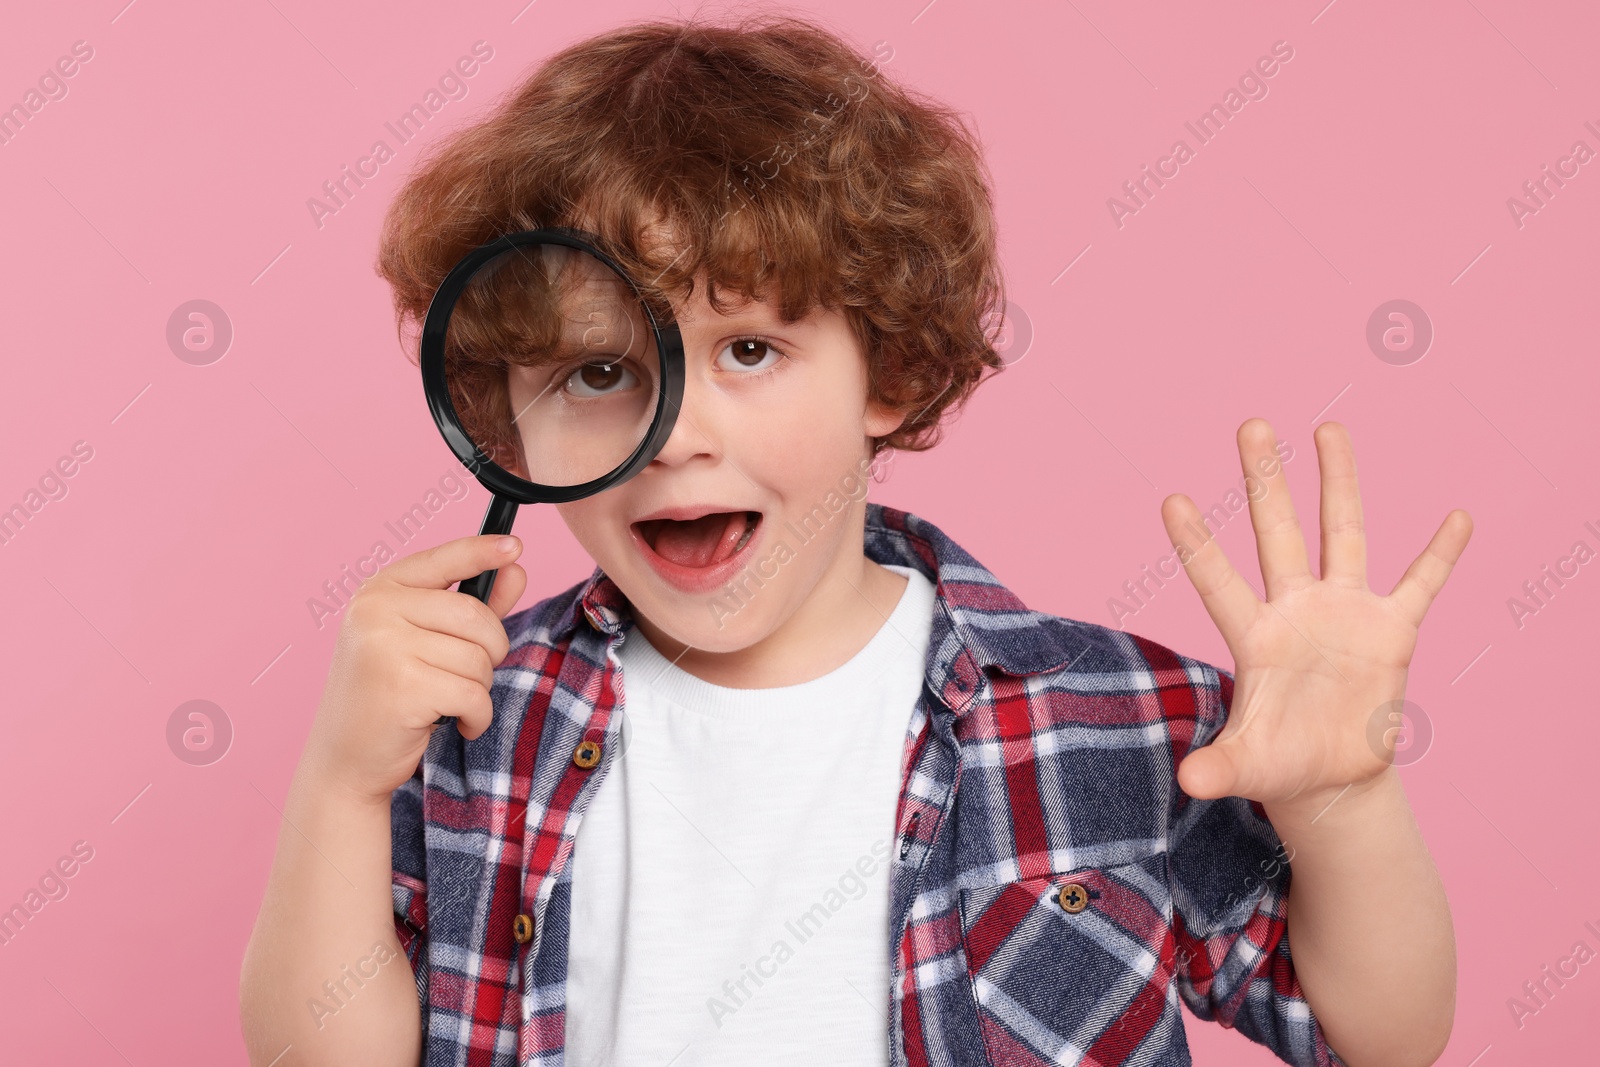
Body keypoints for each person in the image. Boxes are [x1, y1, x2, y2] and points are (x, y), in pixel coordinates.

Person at [239, 13, 1465, 1067]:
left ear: (892, 367)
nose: (676, 436)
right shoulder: (475, 718)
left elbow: (1376, 1034)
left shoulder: (1114, 721)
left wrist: (1346, 802)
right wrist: (343, 784)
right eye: (602, 369)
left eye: (750, 350)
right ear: (504, 412)